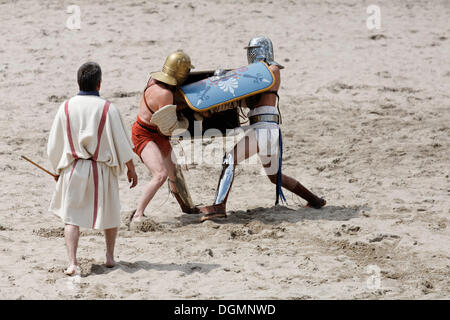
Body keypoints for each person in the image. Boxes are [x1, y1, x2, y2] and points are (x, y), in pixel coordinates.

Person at [199, 36, 326, 222]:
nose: (251, 55)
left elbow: (250, 87)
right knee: (274, 176)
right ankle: (314, 200)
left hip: (263, 129)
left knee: (229, 159)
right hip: (263, 129)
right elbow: (243, 96)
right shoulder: (257, 73)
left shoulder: (271, 70)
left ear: (263, 51)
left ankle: (219, 207)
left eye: (253, 50)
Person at [47, 62, 138, 275]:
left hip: (74, 167)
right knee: (110, 213)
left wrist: (58, 169)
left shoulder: (66, 107)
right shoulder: (108, 108)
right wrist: (131, 168)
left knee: (71, 218)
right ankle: (109, 257)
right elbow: (122, 144)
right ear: (99, 84)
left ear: (78, 81)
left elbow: (54, 145)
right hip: (101, 169)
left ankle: (72, 262)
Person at [130, 50, 199, 224]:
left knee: (174, 172)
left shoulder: (152, 81)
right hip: (144, 134)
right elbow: (170, 128)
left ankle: (187, 208)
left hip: (156, 132)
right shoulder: (166, 94)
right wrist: (185, 123)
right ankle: (138, 214)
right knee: (160, 175)